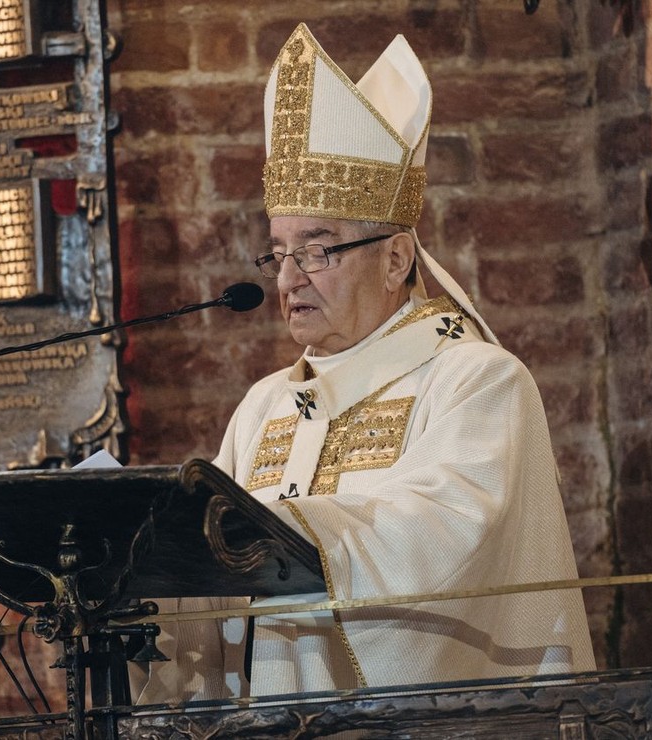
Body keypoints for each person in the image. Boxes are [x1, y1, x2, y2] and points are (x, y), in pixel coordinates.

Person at [134, 22, 594, 702]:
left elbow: (443, 538)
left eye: (317, 250)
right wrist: (131, 566)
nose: (288, 279)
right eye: (279, 252)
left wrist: (281, 528)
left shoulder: (477, 380)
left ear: (396, 258)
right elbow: (205, 581)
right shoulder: (265, 405)